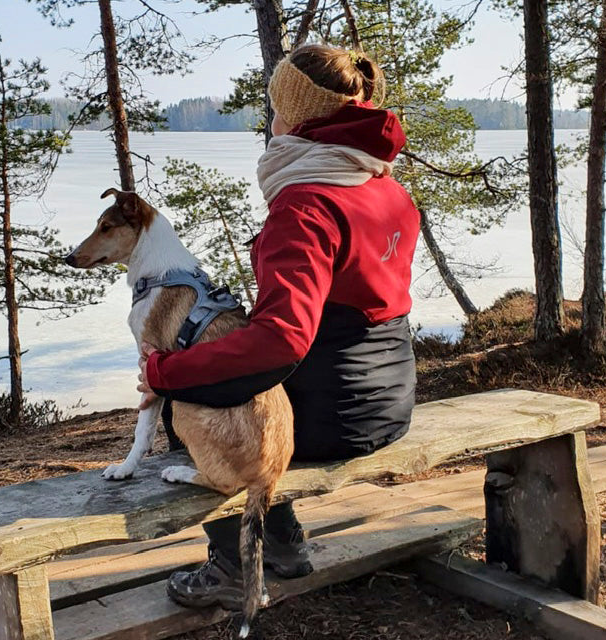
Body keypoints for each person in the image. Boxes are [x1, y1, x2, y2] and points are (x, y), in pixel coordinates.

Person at [137, 43, 421, 610]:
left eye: (274, 106)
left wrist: (166, 372)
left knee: (189, 409)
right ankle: (283, 542)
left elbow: (283, 338)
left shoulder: (306, 203)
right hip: (392, 398)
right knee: (213, 393)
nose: (270, 118)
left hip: (335, 412)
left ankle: (238, 566)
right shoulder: (384, 185)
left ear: (295, 115)